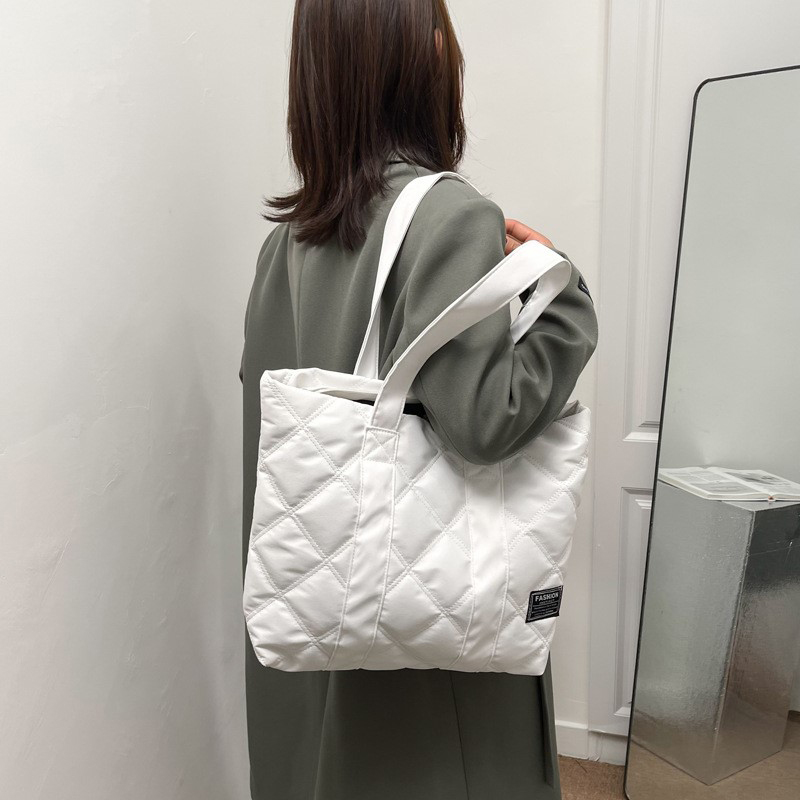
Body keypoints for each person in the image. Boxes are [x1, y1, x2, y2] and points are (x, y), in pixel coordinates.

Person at [239, 1, 599, 798]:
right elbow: (486, 423)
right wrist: (564, 299)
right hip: (428, 668)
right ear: (430, 50)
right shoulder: (448, 218)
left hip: (314, 630)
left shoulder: (284, 243)